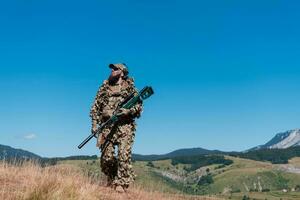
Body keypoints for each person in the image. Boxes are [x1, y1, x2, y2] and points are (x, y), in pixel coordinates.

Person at [90, 63, 143, 193]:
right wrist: (94, 124)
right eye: (112, 69)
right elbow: (95, 107)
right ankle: (112, 178)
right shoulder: (105, 87)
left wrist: (128, 112)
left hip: (125, 126)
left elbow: (139, 107)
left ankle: (121, 183)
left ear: (123, 72)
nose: (112, 70)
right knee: (106, 158)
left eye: (116, 68)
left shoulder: (130, 88)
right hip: (107, 126)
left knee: (123, 156)